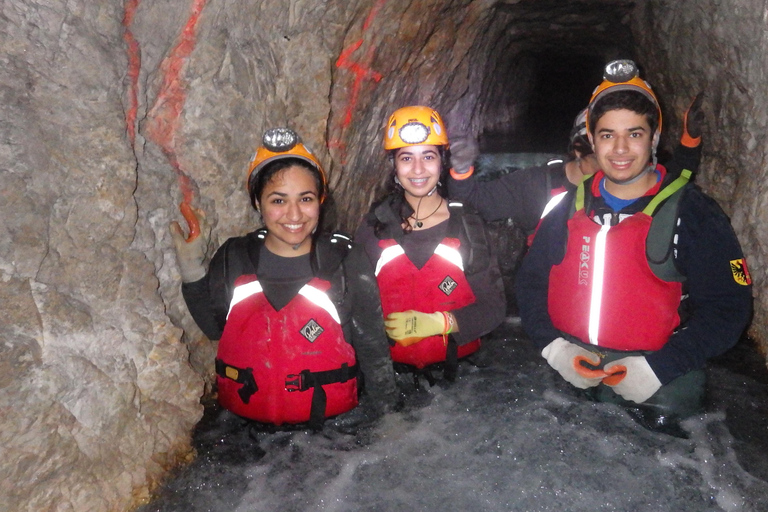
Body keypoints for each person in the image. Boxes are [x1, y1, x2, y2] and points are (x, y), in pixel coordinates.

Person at [515, 60, 753, 431]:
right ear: (591, 140)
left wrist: (660, 368)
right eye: (608, 135)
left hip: (659, 381)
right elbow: (530, 283)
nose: (620, 149)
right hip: (574, 371)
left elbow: (729, 307)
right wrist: (555, 349)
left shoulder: (692, 214)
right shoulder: (569, 209)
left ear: (654, 138)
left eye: (635, 134)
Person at [170, 128, 397, 430]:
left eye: (305, 198)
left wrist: (388, 420)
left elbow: (372, 347)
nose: (294, 214)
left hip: (333, 433)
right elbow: (215, 328)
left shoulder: (345, 258)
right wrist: (192, 271)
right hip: (250, 436)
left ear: (321, 200)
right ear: (258, 203)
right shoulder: (235, 256)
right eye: (278, 201)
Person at [355, 106, 506, 385]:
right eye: (406, 158)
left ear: (442, 161)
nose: (418, 169)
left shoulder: (467, 226)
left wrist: (441, 323)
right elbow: (353, 306)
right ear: (394, 166)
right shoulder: (374, 228)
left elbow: (494, 308)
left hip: (459, 378)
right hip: (391, 378)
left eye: (428, 156)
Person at [448, 96, 704, 247]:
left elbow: (673, 183)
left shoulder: (632, 182)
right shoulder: (536, 185)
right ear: (579, 149)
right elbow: (475, 201)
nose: (618, 152)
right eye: (602, 141)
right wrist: (460, 170)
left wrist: (690, 141)